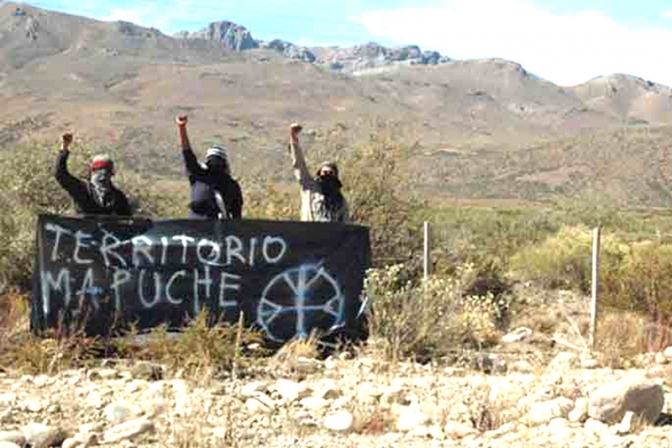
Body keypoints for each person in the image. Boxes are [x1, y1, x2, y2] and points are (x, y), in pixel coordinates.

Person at [176, 115, 243, 220]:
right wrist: (182, 128)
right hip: (203, 232)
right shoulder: (198, 175)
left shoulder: (199, 175)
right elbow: (187, 153)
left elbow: (187, 152)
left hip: (208, 232)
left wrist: (182, 128)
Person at [54, 133, 132, 216]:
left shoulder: (82, 189)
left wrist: (64, 147)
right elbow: (60, 174)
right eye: (99, 171)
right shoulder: (118, 196)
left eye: (105, 172)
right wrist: (64, 147)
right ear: (112, 172)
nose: (102, 176)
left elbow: (60, 174)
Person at [288, 123, 349, 222]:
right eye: (324, 173)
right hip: (308, 234)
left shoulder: (340, 201)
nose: (327, 176)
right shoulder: (310, 187)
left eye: (330, 173)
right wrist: (293, 137)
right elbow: (299, 164)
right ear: (319, 173)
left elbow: (345, 226)